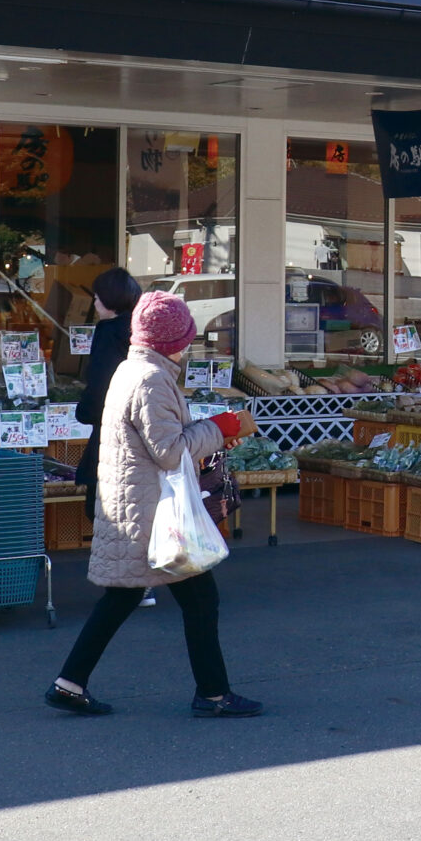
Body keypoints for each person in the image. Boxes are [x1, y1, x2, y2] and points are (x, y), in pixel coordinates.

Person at [45, 291, 263, 717]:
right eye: (185, 337)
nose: (188, 344)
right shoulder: (152, 379)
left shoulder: (134, 370)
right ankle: (213, 695)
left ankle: (68, 684)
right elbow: (168, 450)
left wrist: (205, 431)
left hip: (134, 506)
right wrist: (219, 428)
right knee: (200, 601)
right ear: (172, 341)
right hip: (155, 514)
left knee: (122, 598)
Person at [72, 267, 140, 503]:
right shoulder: (137, 330)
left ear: (110, 298)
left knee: (103, 508)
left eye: (98, 295)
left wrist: (84, 411)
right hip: (137, 433)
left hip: (110, 432)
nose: (95, 300)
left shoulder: (109, 333)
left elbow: (101, 381)